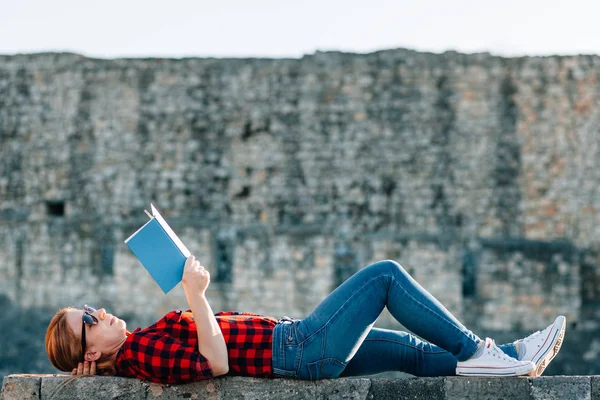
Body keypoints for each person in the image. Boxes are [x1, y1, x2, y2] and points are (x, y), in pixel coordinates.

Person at [46, 257, 566, 383]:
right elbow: (217, 363)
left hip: (297, 342)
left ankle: (511, 360)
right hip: (299, 348)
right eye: (88, 319)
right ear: (92, 349)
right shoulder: (141, 353)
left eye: (88, 308)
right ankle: (480, 352)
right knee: (384, 276)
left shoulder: (139, 343)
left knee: (408, 353)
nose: (99, 311)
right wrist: (195, 294)